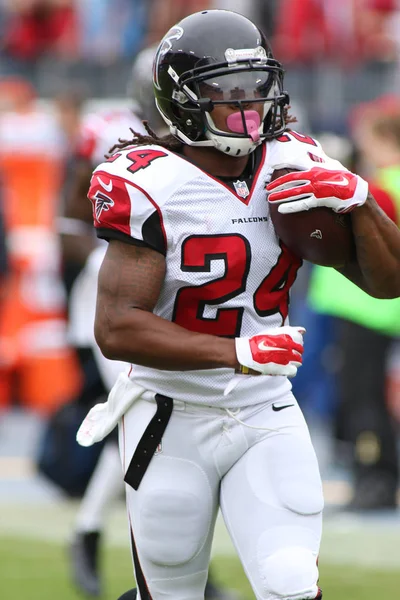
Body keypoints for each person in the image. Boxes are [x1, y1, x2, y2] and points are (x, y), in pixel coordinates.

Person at [78, 10, 400, 600]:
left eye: (257, 86)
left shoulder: (295, 159)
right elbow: (117, 328)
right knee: (173, 589)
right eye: (226, 92)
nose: (249, 105)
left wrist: (363, 202)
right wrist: (239, 351)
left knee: (291, 581)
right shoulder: (146, 181)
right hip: (168, 411)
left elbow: (389, 283)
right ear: (182, 101)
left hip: (264, 409)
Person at [67, 45, 238, 600]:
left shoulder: (221, 141)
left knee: (154, 416)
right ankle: (113, 543)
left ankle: (148, 552)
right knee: (143, 406)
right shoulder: (116, 138)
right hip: (124, 281)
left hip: (176, 285)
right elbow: (73, 213)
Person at [307, 102, 400, 511]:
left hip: (364, 306)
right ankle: (381, 473)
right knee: (368, 395)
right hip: (370, 307)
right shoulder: (381, 182)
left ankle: (373, 478)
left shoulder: (380, 186)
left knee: (361, 398)